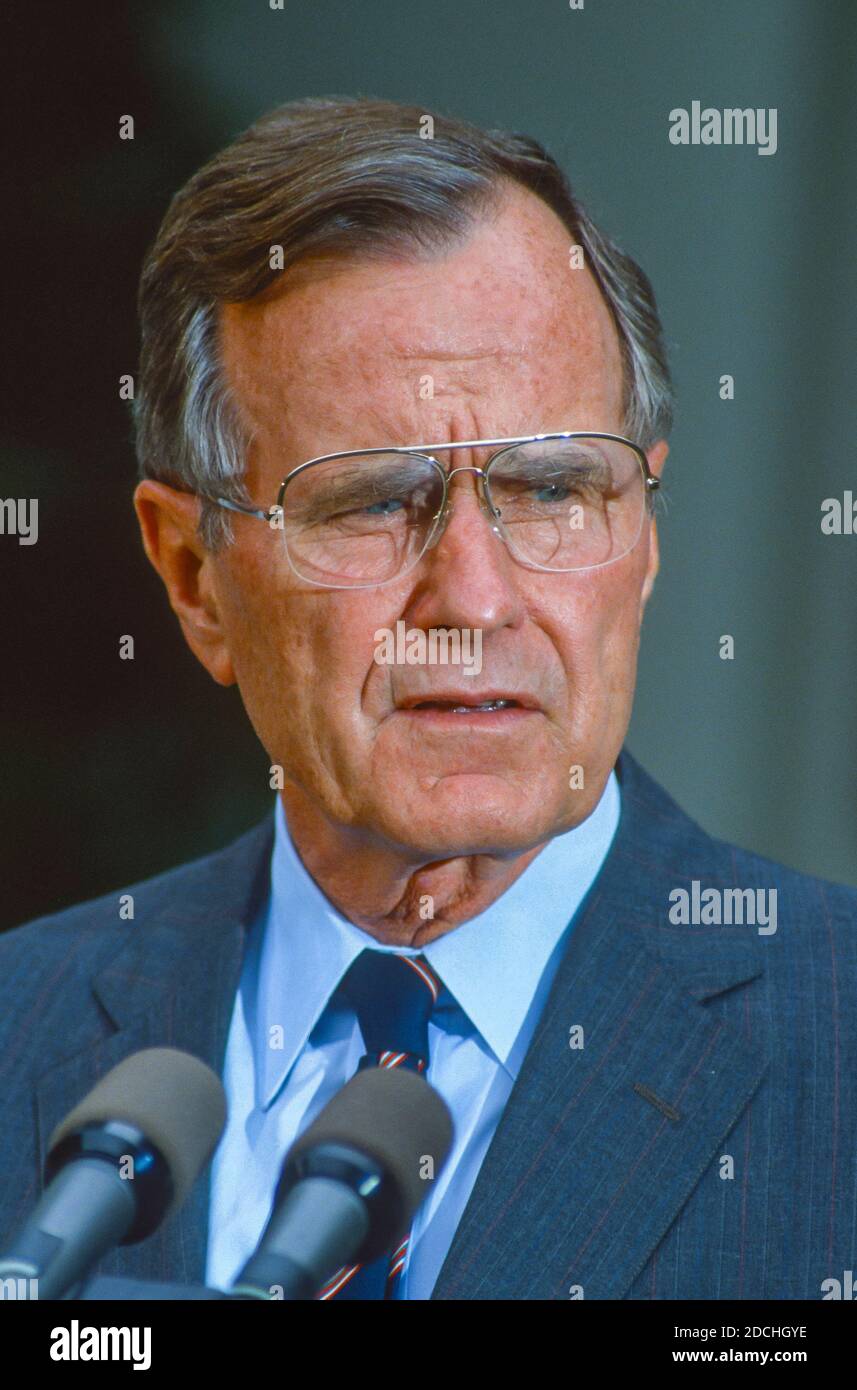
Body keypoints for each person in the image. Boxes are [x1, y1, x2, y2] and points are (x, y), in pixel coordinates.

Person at [1, 98, 854, 1301]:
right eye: (369, 502)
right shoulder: (20, 1032)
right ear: (194, 578)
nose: (475, 596)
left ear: (644, 538)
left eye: (554, 487)